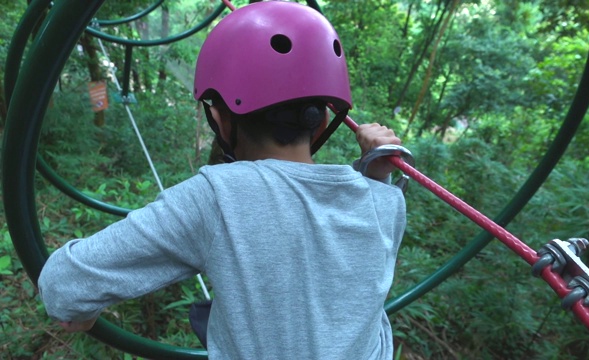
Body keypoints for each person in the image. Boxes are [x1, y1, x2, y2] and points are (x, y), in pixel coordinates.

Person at [38, 2, 406, 359]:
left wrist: (83, 308)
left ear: (219, 119)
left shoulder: (216, 198)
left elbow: (62, 286)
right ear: (323, 121)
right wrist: (375, 174)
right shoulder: (385, 202)